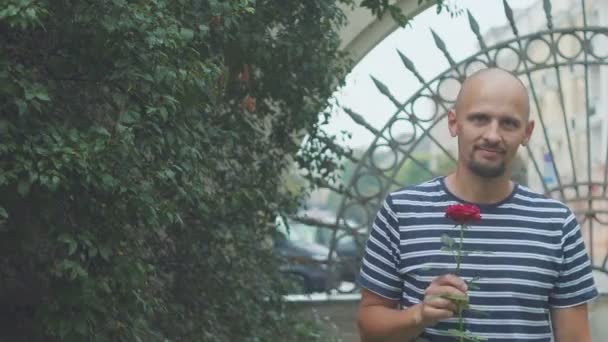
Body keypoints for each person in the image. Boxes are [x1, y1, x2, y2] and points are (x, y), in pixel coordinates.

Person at [356, 68, 598, 341]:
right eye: (480, 119)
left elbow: (575, 337)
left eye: (508, 123)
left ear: (527, 132)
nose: (493, 135)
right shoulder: (402, 212)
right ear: (453, 122)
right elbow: (368, 327)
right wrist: (420, 314)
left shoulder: (556, 224)